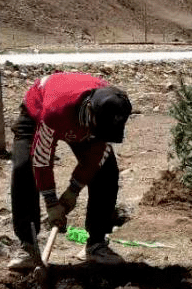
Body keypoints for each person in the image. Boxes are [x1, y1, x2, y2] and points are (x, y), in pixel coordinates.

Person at [8, 73, 133, 271]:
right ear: (90, 113)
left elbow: (96, 156)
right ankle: (28, 246)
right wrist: (51, 203)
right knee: (24, 167)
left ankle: (96, 244)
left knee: (107, 172)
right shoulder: (54, 111)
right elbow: (42, 159)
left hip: (86, 121)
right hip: (38, 110)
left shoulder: (110, 109)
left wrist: (73, 191)